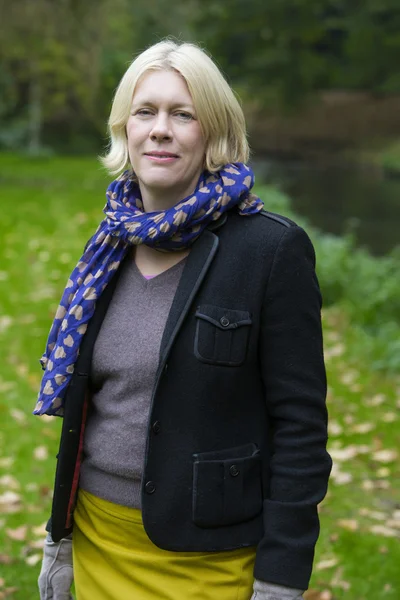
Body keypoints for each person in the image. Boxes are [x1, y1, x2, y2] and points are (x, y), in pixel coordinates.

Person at [36, 39, 332, 600]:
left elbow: (301, 430)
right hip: (97, 542)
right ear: (126, 129)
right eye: (145, 112)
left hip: (209, 563)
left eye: (183, 114)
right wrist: (61, 540)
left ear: (214, 133)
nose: (161, 129)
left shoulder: (271, 251)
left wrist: (280, 578)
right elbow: (88, 412)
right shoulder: (107, 249)